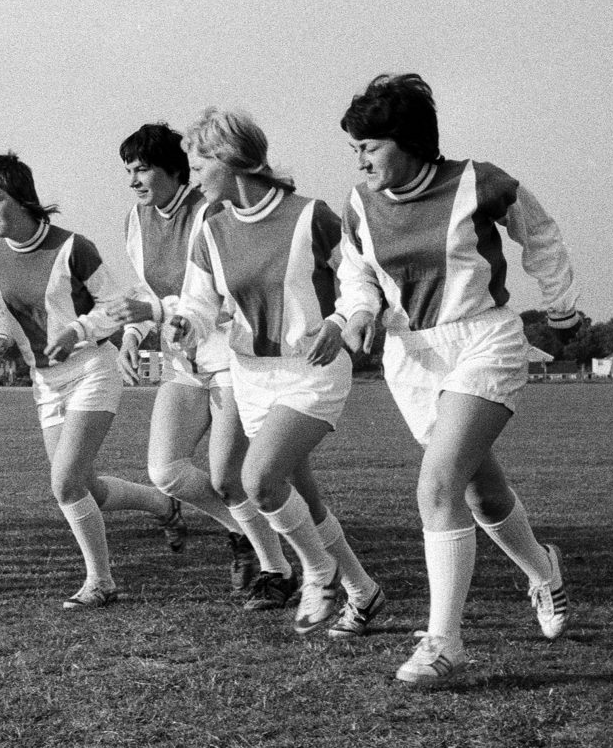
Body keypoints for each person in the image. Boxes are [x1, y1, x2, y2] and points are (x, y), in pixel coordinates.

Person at [333, 73, 582, 685]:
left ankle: (445, 641)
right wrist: (360, 311)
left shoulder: (481, 181)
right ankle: (544, 571)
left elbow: (541, 233)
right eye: (355, 148)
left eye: (371, 145)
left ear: (410, 140)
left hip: (484, 340)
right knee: (478, 492)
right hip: (412, 358)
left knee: (438, 484)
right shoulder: (359, 206)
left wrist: (559, 303)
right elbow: (357, 274)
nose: (360, 158)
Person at [165, 110, 384, 639]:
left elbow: (360, 279)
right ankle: (363, 590)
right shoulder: (210, 231)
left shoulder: (313, 216)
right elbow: (198, 304)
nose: (194, 178)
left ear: (230, 160)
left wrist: (339, 320)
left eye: (198, 166)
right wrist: (180, 324)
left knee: (258, 480)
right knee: (302, 502)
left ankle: (318, 574)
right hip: (252, 376)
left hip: (312, 371)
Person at [105, 123, 297, 607]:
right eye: (128, 170)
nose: (133, 180)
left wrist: (158, 314)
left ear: (175, 169)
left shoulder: (211, 211)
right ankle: (243, 534)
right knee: (165, 471)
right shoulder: (135, 219)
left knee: (229, 478)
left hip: (231, 357)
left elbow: (227, 291)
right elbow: (147, 291)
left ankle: (280, 570)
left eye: (142, 168)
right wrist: (133, 333)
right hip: (182, 362)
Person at [0, 153, 177, 609]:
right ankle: (163, 506)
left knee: (64, 484)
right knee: (83, 485)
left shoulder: (73, 247)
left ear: (23, 199)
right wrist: (0, 339)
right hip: (44, 382)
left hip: (91, 370)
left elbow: (115, 304)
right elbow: (1, 314)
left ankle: (100, 582)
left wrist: (76, 331)